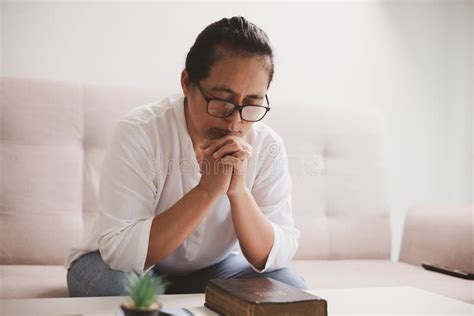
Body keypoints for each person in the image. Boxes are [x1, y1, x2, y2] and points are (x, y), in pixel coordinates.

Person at [65, 16, 307, 296]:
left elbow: (275, 254)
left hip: (211, 271)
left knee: (289, 288)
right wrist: (207, 190)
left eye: (251, 103)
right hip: (114, 267)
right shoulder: (140, 132)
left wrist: (238, 192)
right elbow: (122, 254)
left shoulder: (266, 146)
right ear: (186, 83)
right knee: (129, 296)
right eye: (222, 100)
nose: (234, 122)